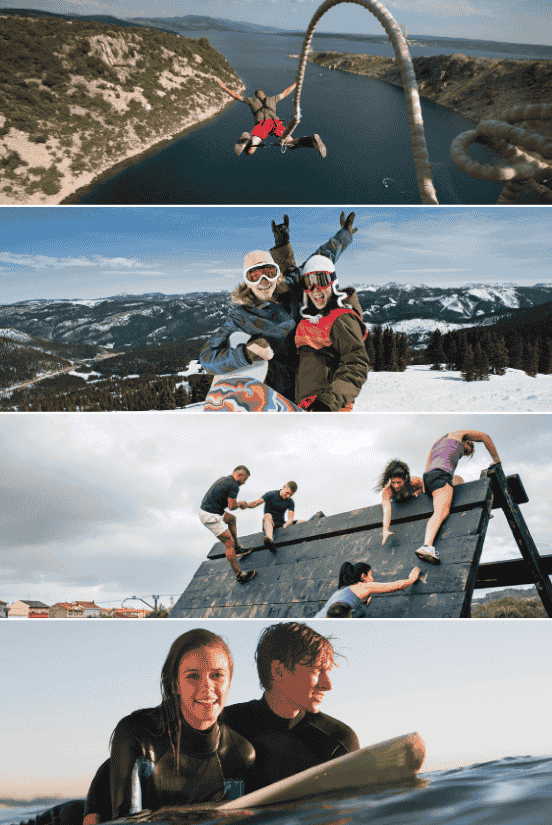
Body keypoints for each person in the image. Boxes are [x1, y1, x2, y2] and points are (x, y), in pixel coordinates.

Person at [22, 630, 255, 825]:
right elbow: (125, 815)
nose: (207, 687)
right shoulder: (138, 733)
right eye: (193, 676)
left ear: (230, 680)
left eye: (217, 675)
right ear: (175, 684)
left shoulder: (241, 754)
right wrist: (93, 809)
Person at [200, 213, 355, 404]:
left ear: (276, 275)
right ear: (247, 281)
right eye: (255, 276)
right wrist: (246, 353)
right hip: (284, 381)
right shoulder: (242, 316)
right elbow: (207, 358)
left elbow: (321, 258)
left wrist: (345, 234)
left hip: (317, 367)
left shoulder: (290, 286)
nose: (263, 282)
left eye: (269, 273)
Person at [222, 622, 359, 792]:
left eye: (328, 671)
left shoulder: (338, 741)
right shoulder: (224, 726)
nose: (328, 685)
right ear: (279, 671)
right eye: (317, 670)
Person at [270, 214, 369, 411]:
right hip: (295, 388)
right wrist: (282, 244)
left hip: (320, 399)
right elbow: (295, 273)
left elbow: (324, 257)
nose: (314, 288)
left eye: (321, 283)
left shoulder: (335, 315)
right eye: (309, 284)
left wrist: (345, 234)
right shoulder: (291, 295)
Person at [416, 429, 501, 564]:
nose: (464, 454)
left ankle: (478, 509)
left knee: (459, 480)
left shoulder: (437, 443)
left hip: (430, 477)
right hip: (441, 475)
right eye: (466, 451)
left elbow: (427, 467)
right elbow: (486, 436)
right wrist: (496, 459)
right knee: (441, 512)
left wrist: (426, 488)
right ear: (467, 442)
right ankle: (426, 546)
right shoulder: (460, 434)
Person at [217, 81, 326, 157]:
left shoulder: (251, 101)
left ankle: (248, 140)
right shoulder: (272, 99)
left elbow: (236, 95)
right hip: (275, 124)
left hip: (262, 124)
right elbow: (286, 91)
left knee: (250, 151)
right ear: (264, 95)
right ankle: (310, 140)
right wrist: (296, 82)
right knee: (291, 144)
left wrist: (224, 87)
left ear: (256, 96)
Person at [199, 466, 256, 584]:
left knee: (231, 519)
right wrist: (241, 504)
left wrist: (238, 504)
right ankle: (239, 575)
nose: (244, 483)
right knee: (228, 542)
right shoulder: (234, 485)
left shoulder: (224, 479)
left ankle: (237, 548)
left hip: (210, 511)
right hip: (211, 516)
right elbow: (232, 506)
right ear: (239, 475)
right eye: (244, 479)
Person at [314, 561, 422, 618]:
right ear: (363, 576)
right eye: (370, 575)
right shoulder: (363, 586)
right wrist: (411, 579)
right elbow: (396, 586)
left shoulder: (342, 590)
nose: (373, 578)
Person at [243, 481, 303, 552]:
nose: (288, 496)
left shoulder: (290, 501)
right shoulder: (271, 494)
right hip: (269, 524)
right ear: (284, 487)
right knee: (267, 515)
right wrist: (244, 505)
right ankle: (270, 541)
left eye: (290, 495)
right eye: (287, 493)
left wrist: (286, 524)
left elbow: (290, 519)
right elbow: (255, 504)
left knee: (302, 521)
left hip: (281, 524)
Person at [376, 459, 424, 546]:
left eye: (399, 482)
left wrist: (419, 491)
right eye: (393, 482)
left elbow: (425, 486)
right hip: (400, 510)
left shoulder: (414, 481)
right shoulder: (388, 491)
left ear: (405, 479)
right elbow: (387, 511)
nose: (396, 486)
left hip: (413, 509)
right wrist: (385, 530)